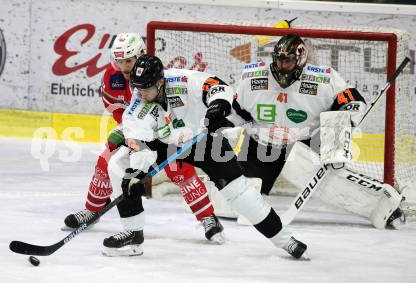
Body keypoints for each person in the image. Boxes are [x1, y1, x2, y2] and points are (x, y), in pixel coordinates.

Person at [103, 54, 308, 259]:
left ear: (160, 81)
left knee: (239, 194)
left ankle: (285, 240)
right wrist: (138, 173)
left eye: (146, 88)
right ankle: (133, 232)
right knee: (119, 165)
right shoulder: (137, 103)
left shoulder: (183, 80)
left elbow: (217, 87)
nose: (141, 94)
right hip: (165, 143)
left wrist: (216, 108)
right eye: (138, 88)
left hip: (204, 138)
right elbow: (139, 142)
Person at [228, 33, 405, 229]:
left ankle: (384, 204)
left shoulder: (323, 78)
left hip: (304, 145)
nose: (281, 66)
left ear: (301, 60)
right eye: (278, 61)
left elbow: (351, 99)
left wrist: (343, 125)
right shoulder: (253, 77)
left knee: (334, 180)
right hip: (260, 147)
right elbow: (235, 111)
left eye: (287, 61)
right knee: (236, 203)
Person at [63, 33, 225, 243]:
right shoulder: (112, 78)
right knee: (105, 162)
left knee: (180, 169)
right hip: (137, 133)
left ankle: (208, 218)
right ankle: (91, 211)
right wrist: (125, 131)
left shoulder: (156, 76)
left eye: (128, 61)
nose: (124, 67)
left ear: (139, 56)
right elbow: (120, 112)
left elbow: (176, 112)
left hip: (166, 132)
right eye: (119, 61)